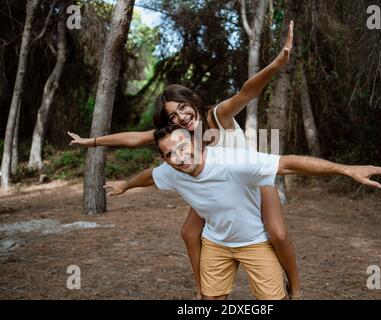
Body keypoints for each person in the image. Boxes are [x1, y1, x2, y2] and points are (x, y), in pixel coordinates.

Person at [68, 21, 303, 299]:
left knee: (277, 233)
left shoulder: (217, 115)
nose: (181, 118)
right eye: (172, 117)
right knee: (189, 232)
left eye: (182, 108)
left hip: (250, 180)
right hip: (218, 187)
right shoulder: (180, 138)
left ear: (192, 100)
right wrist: (92, 142)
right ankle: (203, 289)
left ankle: (296, 288)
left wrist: (277, 64)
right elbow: (134, 138)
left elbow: (246, 92)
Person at [103, 125, 381, 300]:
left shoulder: (233, 161)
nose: (179, 157)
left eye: (183, 147)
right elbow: (148, 176)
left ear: (195, 141)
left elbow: (288, 163)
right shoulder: (171, 171)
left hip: (255, 241)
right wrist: (126, 185)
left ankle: (295, 288)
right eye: (170, 154)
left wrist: (347, 169)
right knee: (210, 298)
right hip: (217, 243)